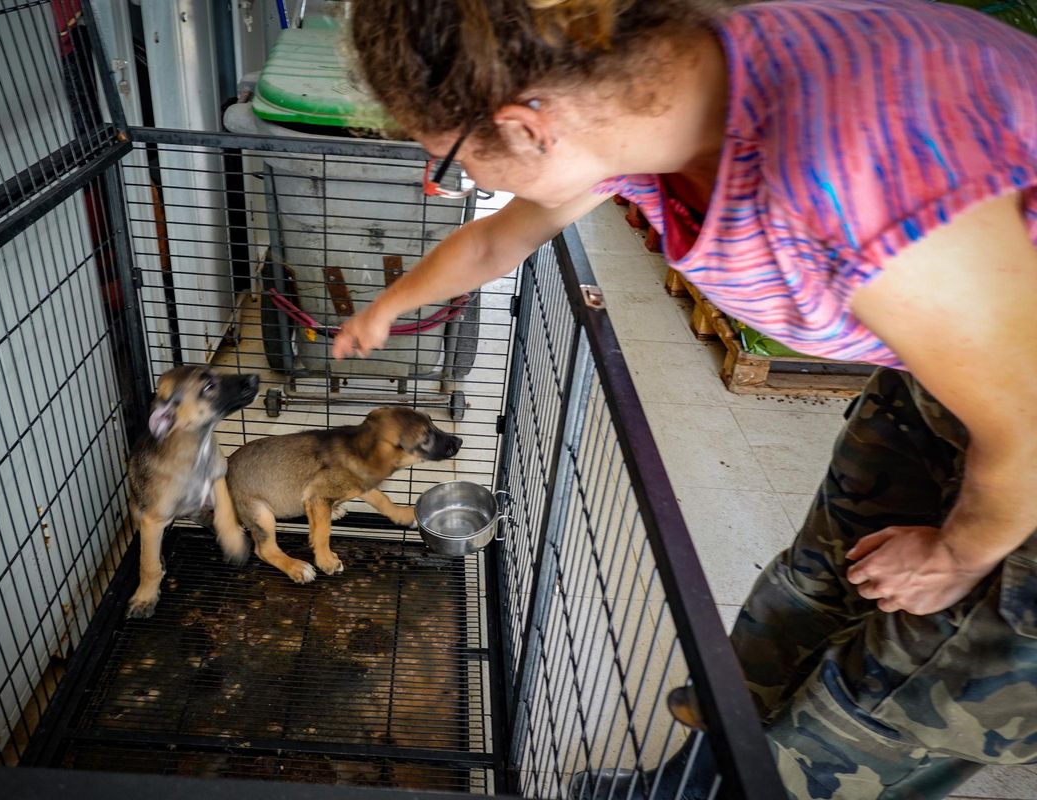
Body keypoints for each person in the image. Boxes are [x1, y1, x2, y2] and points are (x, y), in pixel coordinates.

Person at [331, 0, 1037, 797]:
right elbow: (502, 235)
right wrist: (388, 307)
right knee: (813, 585)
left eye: (451, 162)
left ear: (529, 127)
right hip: (958, 369)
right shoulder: (650, 89)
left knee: (887, 704)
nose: (453, 184)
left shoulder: (849, 178)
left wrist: (957, 554)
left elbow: (1029, 425)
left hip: (1026, 417)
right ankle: (697, 769)